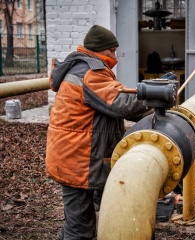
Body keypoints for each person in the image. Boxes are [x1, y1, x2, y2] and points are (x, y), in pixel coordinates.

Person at [46, 25, 154, 240]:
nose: (115, 56)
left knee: (79, 219)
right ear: (97, 50)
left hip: (77, 157)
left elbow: (114, 101)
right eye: (110, 51)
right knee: (80, 230)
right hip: (77, 161)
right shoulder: (91, 72)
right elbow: (121, 103)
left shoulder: (86, 69)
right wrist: (155, 100)